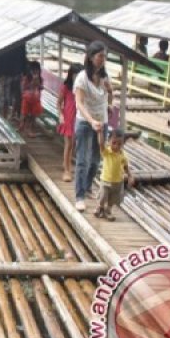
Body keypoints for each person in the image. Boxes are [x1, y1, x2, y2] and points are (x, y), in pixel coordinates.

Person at [74, 41, 113, 212]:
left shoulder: (104, 77)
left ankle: (88, 187)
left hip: (102, 120)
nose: (102, 60)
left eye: (104, 56)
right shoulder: (82, 77)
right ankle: (79, 195)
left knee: (96, 160)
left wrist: (110, 100)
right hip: (85, 121)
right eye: (99, 56)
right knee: (83, 159)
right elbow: (79, 103)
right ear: (91, 57)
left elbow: (110, 94)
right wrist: (91, 121)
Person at [94, 128, 135, 221]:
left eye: (119, 144)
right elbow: (101, 144)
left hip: (117, 182)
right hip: (106, 180)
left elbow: (125, 166)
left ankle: (108, 210)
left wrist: (130, 176)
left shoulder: (122, 155)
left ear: (123, 144)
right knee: (103, 196)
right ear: (109, 141)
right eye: (114, 143)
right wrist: (100, 132)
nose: (116, 146)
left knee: (113, 199)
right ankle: (100, 207)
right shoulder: (107, 152)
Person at [57, 63, 83, 181]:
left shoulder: (82, 87)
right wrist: (60, 115)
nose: (77, 78)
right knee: (69, 144)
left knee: (75, 144)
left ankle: (67, 164)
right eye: (75, 75)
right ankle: (67, 171)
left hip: (79, 117)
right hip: (68, 117)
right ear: (71, 75)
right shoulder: (66, 87)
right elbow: (59, 103)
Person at [0, 42, 27, 121]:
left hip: (15, 72)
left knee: (17, 97)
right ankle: (6, 117)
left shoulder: (20, 41)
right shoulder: (18, 40)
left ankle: (13, 115)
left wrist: (24, 71)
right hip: (7, 73)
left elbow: (23, 56)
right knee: (7, 98)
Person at [20, 60, 43, 137]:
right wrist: (32, 84)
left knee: (33, 116)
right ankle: (24, 126)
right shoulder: (26, 78)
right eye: (33, 70)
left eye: (37, 70)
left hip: (35, 99)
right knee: (26, 115)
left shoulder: (40, 79)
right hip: (27, 99)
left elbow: (40, 88)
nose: (35, 72)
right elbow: (23, 88)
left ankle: (29, 130)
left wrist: (38, 85)